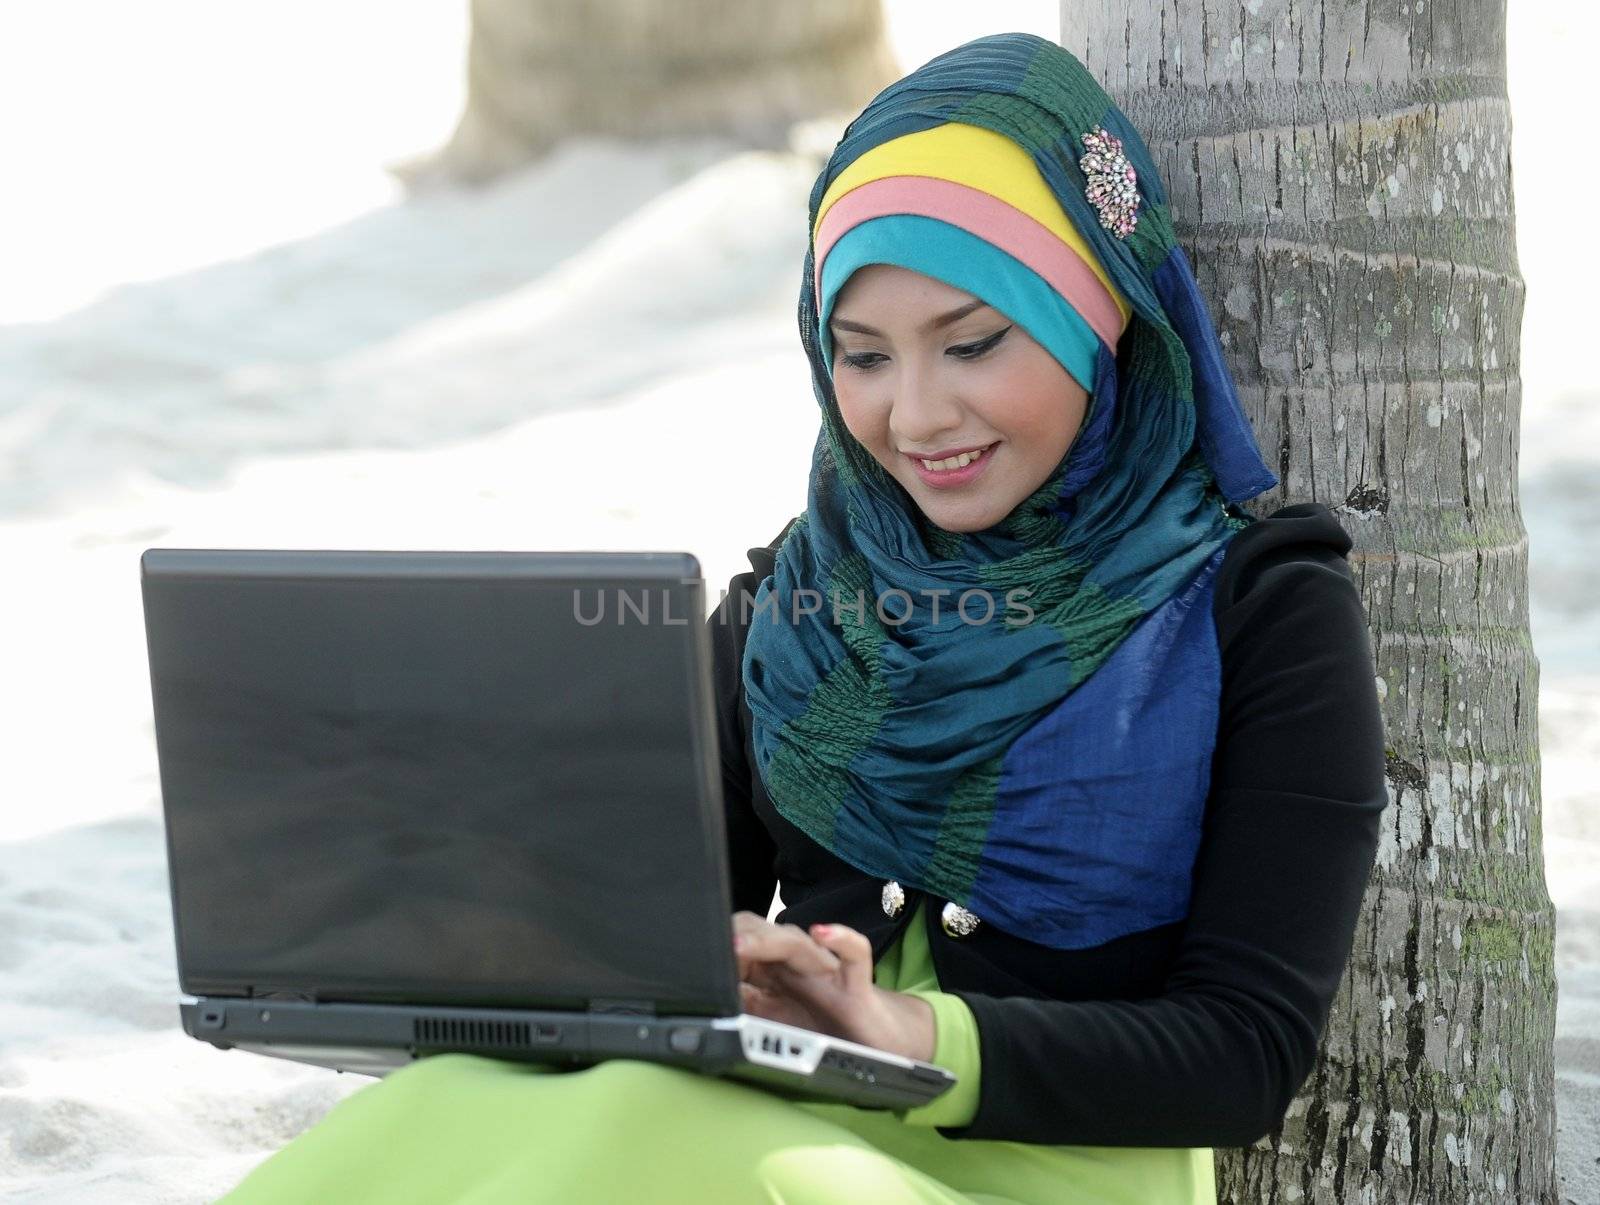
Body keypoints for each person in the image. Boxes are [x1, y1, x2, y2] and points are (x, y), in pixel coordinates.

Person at [219, 31, 1386, 1205]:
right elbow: (646, 945)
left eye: (974, 342)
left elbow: (1244, 1053)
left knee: (649, 1127)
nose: (916, 413)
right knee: (442, 1105)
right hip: (751, 1123)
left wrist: (900, 1029)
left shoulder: (1259, 604)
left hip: (1035, 1176)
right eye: (861, 356)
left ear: (1099, 313)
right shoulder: (802, 595)